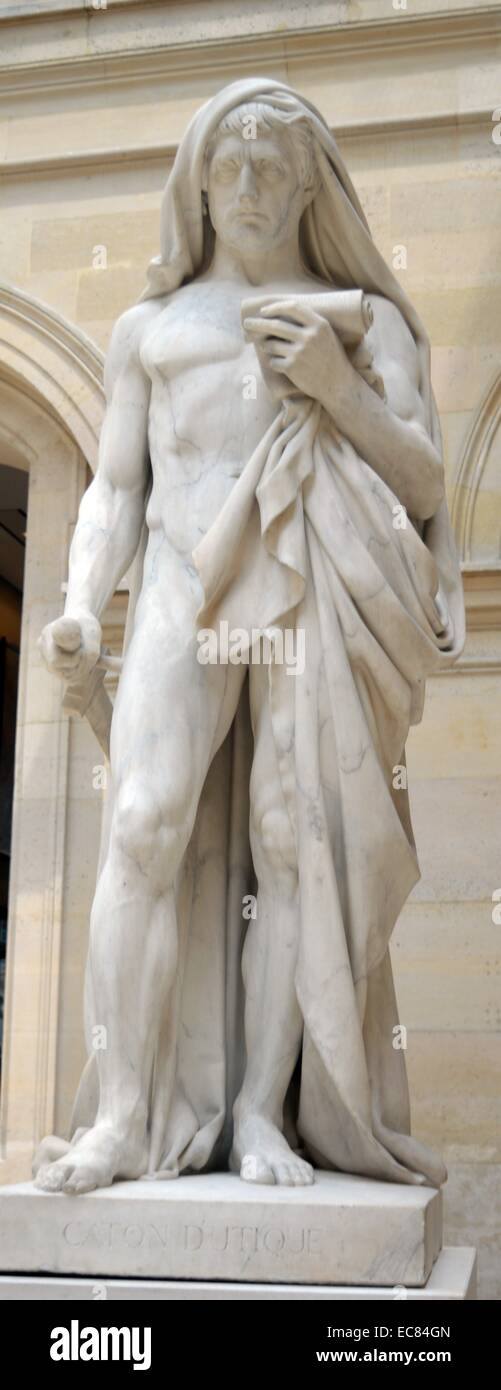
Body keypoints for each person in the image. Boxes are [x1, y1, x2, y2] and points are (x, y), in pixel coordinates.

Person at [35, 79, 464, 1196]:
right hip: (186, 577)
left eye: (275, 165)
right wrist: (85, 599)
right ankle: (124, 1116)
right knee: (141, 823)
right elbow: (113, 489)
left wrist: (339, 388)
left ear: (313, 178)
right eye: (230, 165)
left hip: (302, 589)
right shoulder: (152, 330)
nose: (251, 185)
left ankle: (262, 1116)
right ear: (198, 181)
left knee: (290, 843)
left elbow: (422, 478)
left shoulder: (365, 319)